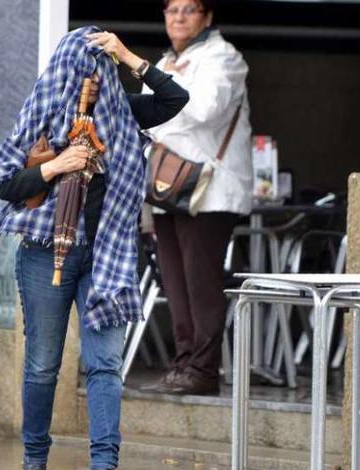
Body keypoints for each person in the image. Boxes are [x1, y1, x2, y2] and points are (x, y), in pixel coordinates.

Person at [0, 27, 188, 470]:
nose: (90, 78)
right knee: (42, 365)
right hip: (44, 253)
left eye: (99, 69)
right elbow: (8, 184)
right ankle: (35, 468)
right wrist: (58, 165)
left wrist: (129, 57)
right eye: (82, 68)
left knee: (105, 365)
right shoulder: (42, 113)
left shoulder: (122, 113)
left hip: (106, 254)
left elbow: (176, 99)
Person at [144, 0, 253, 395]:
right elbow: (150, 117)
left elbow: (205, 109)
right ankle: (182, 363)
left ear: (207, 17)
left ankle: (204, 370)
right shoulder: (165, 61)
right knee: (174, 280)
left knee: (200, 281)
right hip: (166, 184)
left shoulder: (225, 58)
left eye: (188, 9)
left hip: (210, 189)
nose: (178, 17)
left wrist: (166, 104)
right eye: (171, 9)